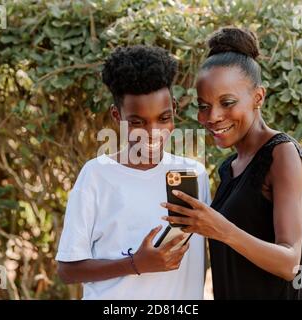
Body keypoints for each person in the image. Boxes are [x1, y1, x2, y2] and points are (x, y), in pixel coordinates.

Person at [162, 27, 302, 299]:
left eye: (227, 102)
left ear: (258, 97)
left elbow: (290, 263)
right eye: (203, 105)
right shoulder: (230, 167)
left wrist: (221, 229)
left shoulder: (282, 153)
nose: (213, 116)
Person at [56, 45, 211, 299]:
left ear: (173, 108)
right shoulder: (97, 175)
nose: (153, 133)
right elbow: (67, 270)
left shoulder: (193, 175)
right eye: (137, 122)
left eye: (163, 118)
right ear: (117, 116)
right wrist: (136, 264)